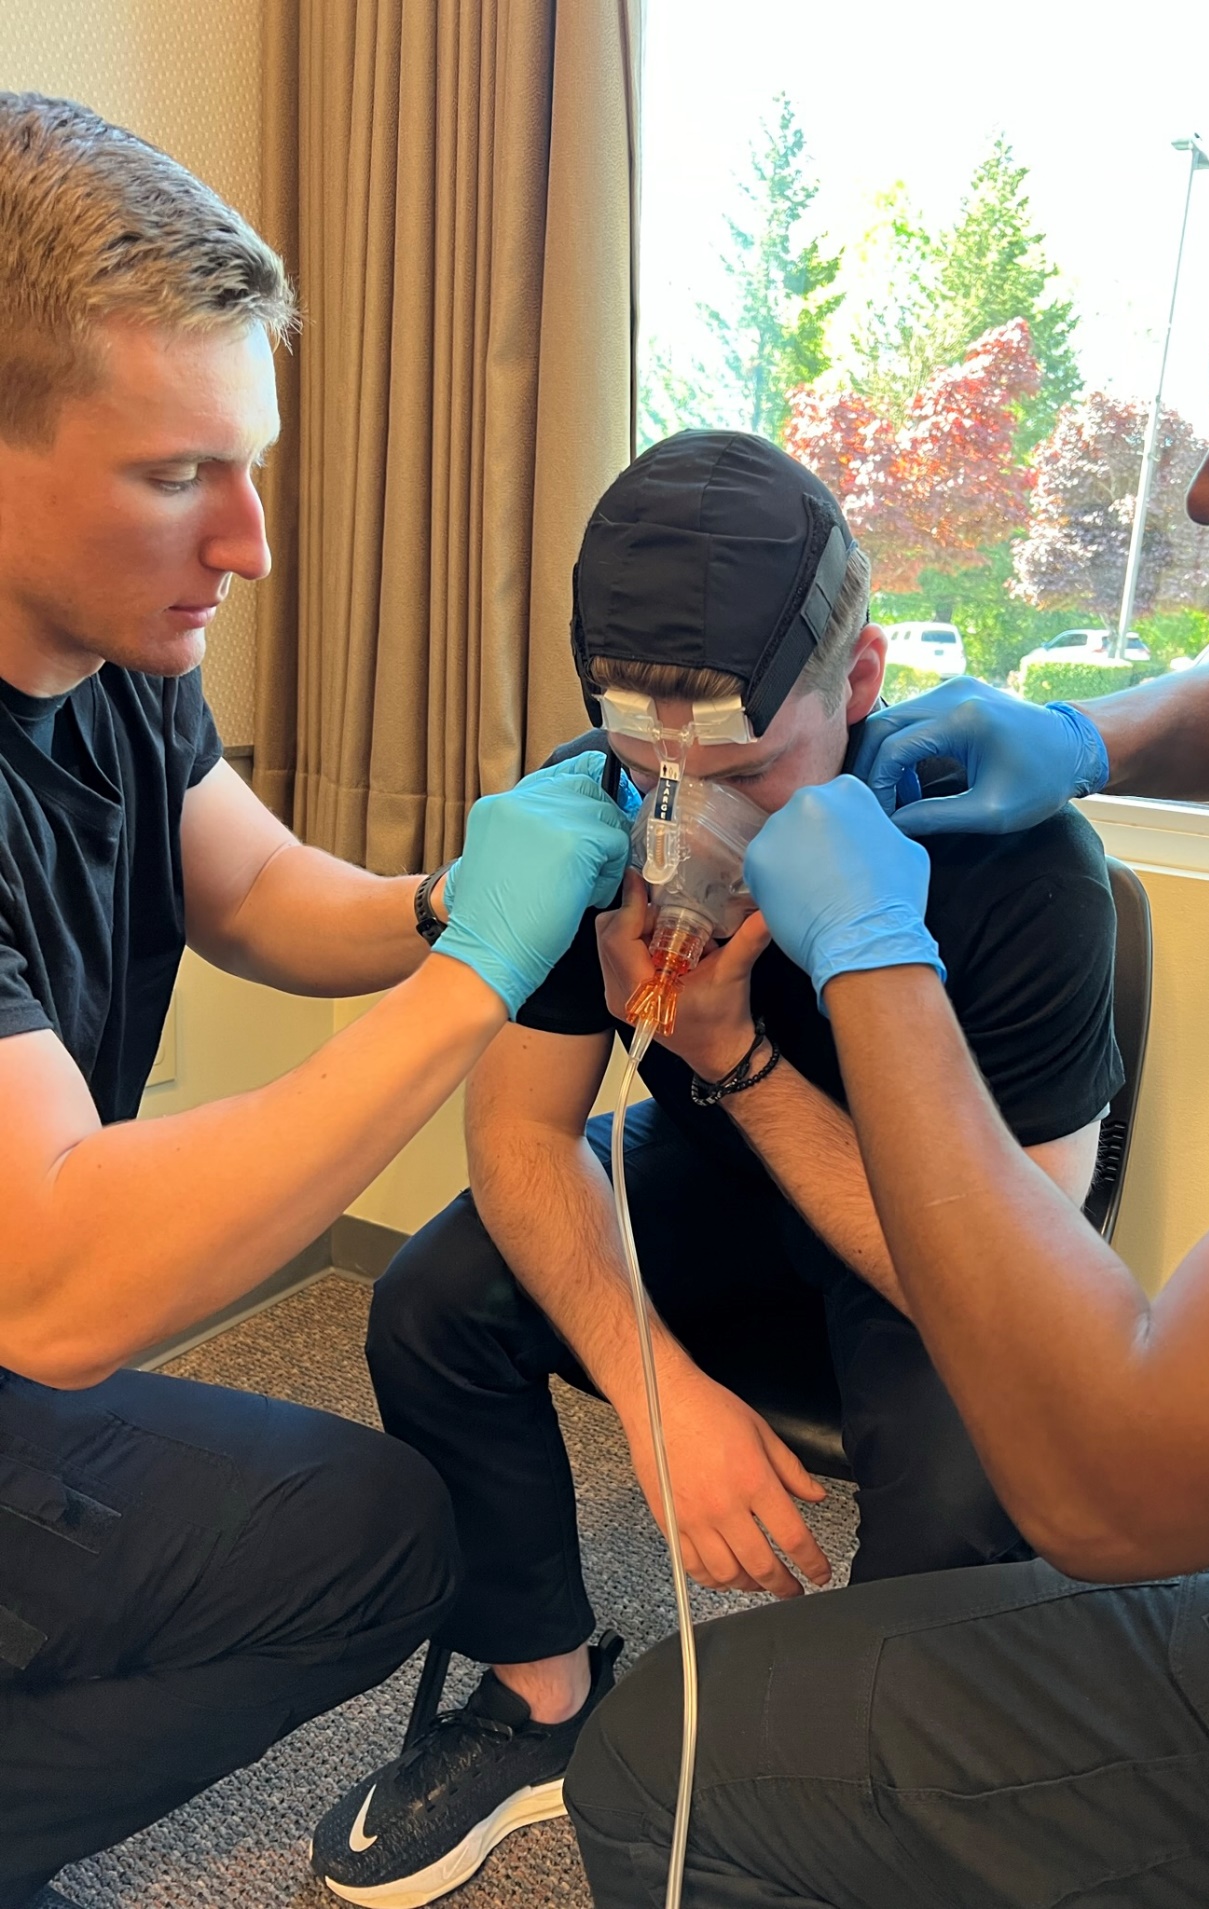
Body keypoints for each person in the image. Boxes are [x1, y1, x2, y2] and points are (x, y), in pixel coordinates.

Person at [566, 16, 1209, 1907]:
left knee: (676, 1772)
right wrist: (1103, 732)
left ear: (852, 682)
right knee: (440, 1299)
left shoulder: (1000, 891)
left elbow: (1110, 1473)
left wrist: (853, 968)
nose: (1206, 496)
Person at [310, 427, 1125, 1904]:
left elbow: (1007, 1285)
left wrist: (736, 1057)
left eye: (749, 771)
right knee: (430, 1301)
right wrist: (654, 1385)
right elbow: (517, 1135)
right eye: (649, 773)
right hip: (707, 1172)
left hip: (941, 1236)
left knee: (966, 1477)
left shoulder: (1025, 868)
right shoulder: (585, 819)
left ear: (861, 682)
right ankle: (541, 1707)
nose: (689, 832)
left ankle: (886, 1801)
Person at [0, 94, 634, 1909]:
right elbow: (54, 1277)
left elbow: (260, 888)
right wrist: (472, 981)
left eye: (250, 463)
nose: (254, 543)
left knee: (374, 1538)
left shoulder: (111, 655)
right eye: (178, 475)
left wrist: (452, 892)